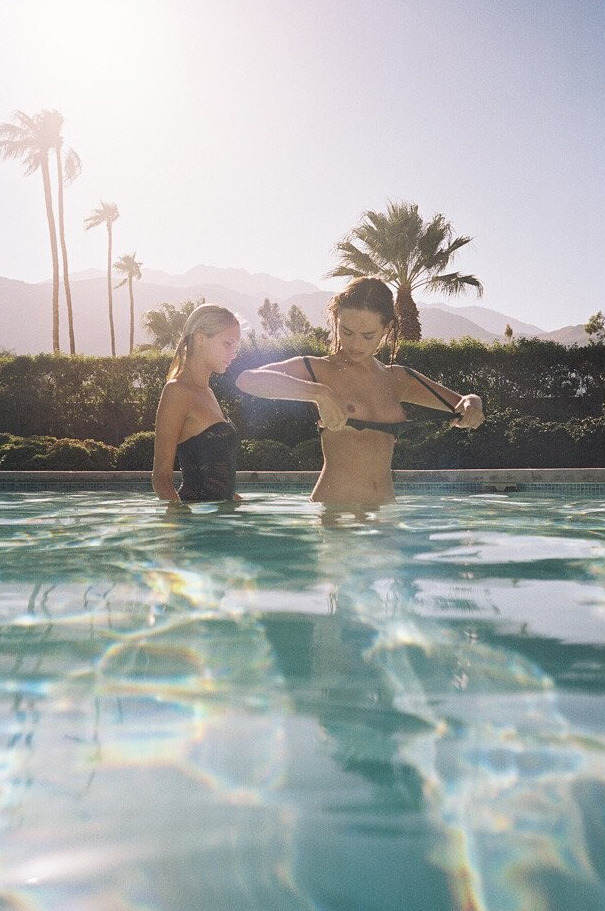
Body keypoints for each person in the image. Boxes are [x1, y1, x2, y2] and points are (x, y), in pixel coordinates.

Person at [236, 277, 484, 506]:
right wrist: (319, 393)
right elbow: (247, 380)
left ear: (387, 328)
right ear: (337, 319)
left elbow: (462, 402)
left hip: (385, 517)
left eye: (368, 335)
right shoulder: (319, 369)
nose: (355, 344)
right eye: (347, 332)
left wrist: (473, 405)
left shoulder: (398, 378)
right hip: (336, 515)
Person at [152, 304, 241, 503]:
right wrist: (181, 518)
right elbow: (161, 479)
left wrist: (243, 509)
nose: (233, 354)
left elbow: (220, 481)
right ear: (200, 338)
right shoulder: (177, 391)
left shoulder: (208, 393)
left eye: (235, 347)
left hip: (221, 517)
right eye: (228, 344)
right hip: (196, 517)